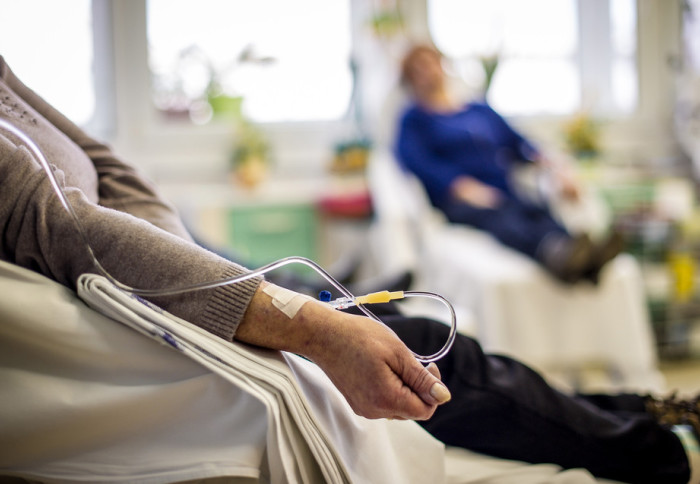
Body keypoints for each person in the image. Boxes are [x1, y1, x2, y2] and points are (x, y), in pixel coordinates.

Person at [0, 55, 697, 484]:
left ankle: (643, 412)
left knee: (446, 332)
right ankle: (658, 448)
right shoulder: (418, 123)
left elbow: (111, 170)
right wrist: (316, 329)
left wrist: (185, 248)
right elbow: (73, 228)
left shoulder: (477, 107)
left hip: (184, 266)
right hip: (152, 305)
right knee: (430, 343)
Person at [394, 44, 623, 284]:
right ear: (410, 79)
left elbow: (520, 143)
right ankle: (556, 255)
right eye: (418, 68)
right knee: (503, 217)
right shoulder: (413, 120)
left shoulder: (478, 110)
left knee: (536, 210)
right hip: (460, 200)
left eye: (431, 63)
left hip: (503, 188)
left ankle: (584, 256)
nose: (428, 71)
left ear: (442, 65)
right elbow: (416, 161)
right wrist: (459, 187)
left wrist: (555, 168)